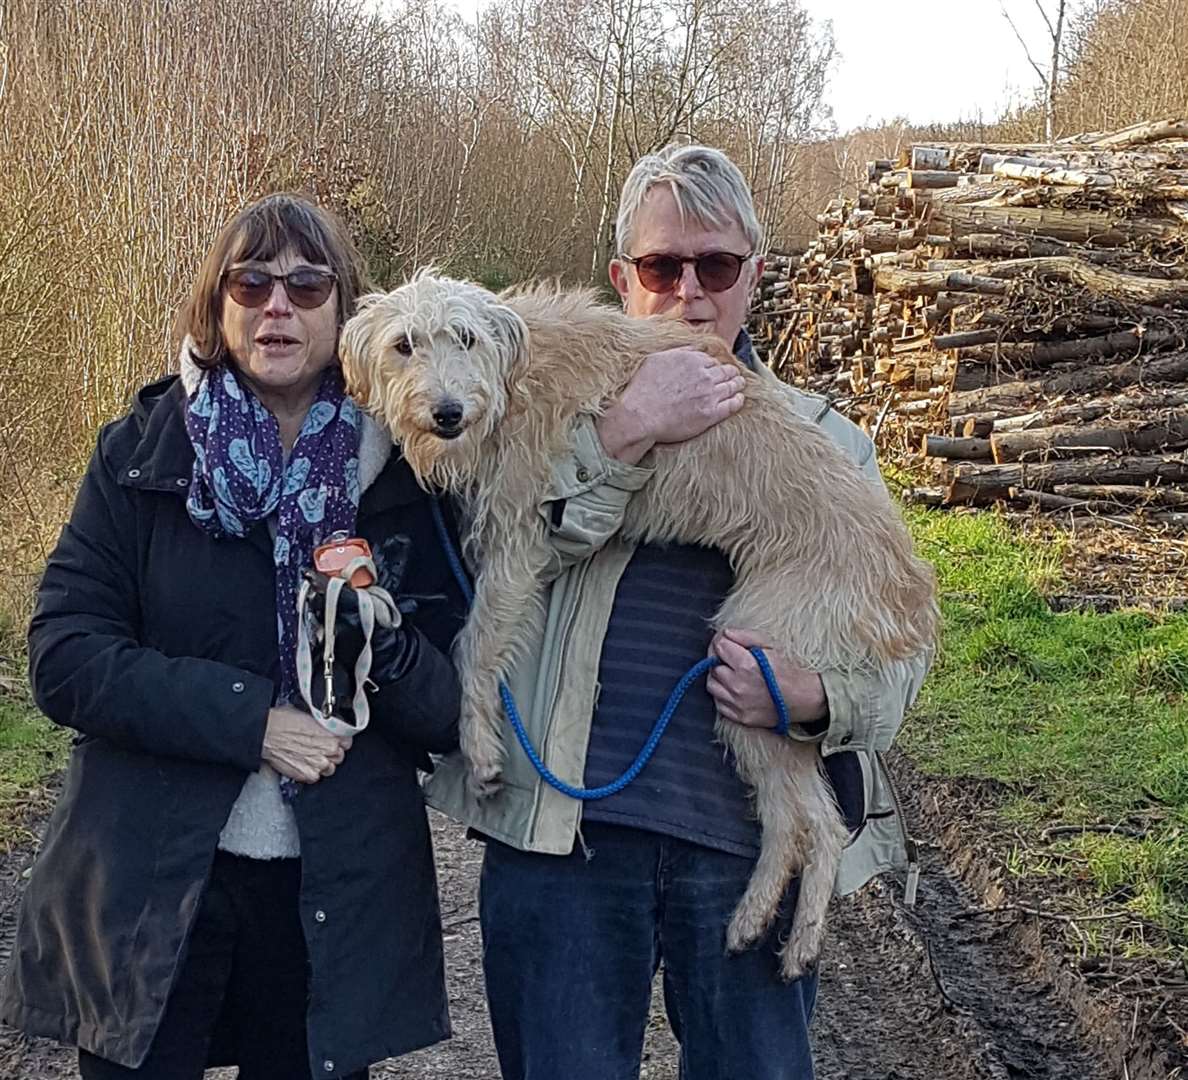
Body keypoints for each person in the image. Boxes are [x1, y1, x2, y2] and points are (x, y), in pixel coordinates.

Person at [425, 144, 932, 1079]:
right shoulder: (525, 397)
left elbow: (898, 649)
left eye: (718, 266)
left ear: (757, 276)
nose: (690, 292)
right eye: (662, 267)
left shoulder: (828, 443)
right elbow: (489, 558)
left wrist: (818, 696)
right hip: (560, 843)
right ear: (622, 278)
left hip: (732, 848)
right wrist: (626, 428)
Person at [0, 194, 468, 1079]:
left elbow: (449, 709)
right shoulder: (141, 453)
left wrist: (386, 640)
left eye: (306, 282)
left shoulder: (416, 472)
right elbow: (62, 655)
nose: (277, 305)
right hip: (153, 882)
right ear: (217, 304)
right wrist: (250, 720)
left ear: (347, 310)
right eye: (251, 282)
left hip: (329, 898)